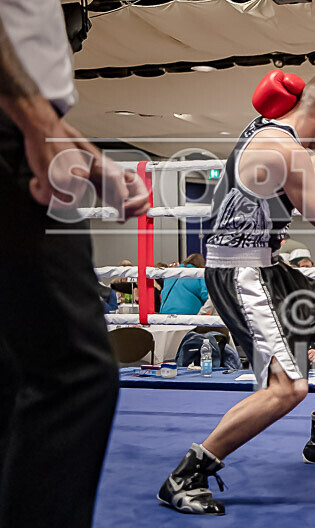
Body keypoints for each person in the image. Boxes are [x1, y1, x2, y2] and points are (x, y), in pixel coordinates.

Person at [157, 70, 315, 514]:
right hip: (242, 272)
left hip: (268, 262)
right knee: (287, 388)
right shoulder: (283, 150)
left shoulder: (285, 120)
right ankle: (186, 474)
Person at [0, 4, 150, 526]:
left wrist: (82, 150)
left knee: (16, 374)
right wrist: (38, 123)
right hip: (14, 133)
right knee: (73, 372)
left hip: (22, 125)